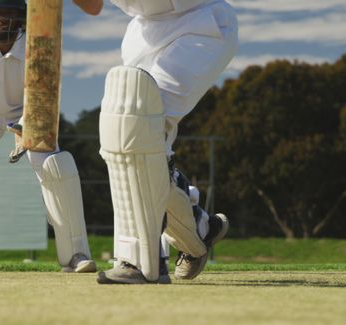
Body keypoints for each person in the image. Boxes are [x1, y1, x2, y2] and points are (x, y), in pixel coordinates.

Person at [73, 0, 238, 284]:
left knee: (138, 120)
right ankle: (199, 227)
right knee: (128, 135)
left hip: (199, 23)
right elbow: (93, 5)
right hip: (144, 31)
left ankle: (140, 261)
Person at [0, 0, 96, 274]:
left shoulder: (40, 46)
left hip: (30, 110)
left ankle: (76, 254)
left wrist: (26, 124)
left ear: (23, 20)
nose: (2, 23)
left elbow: (46, 93)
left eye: (9, 16)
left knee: (55, 168)